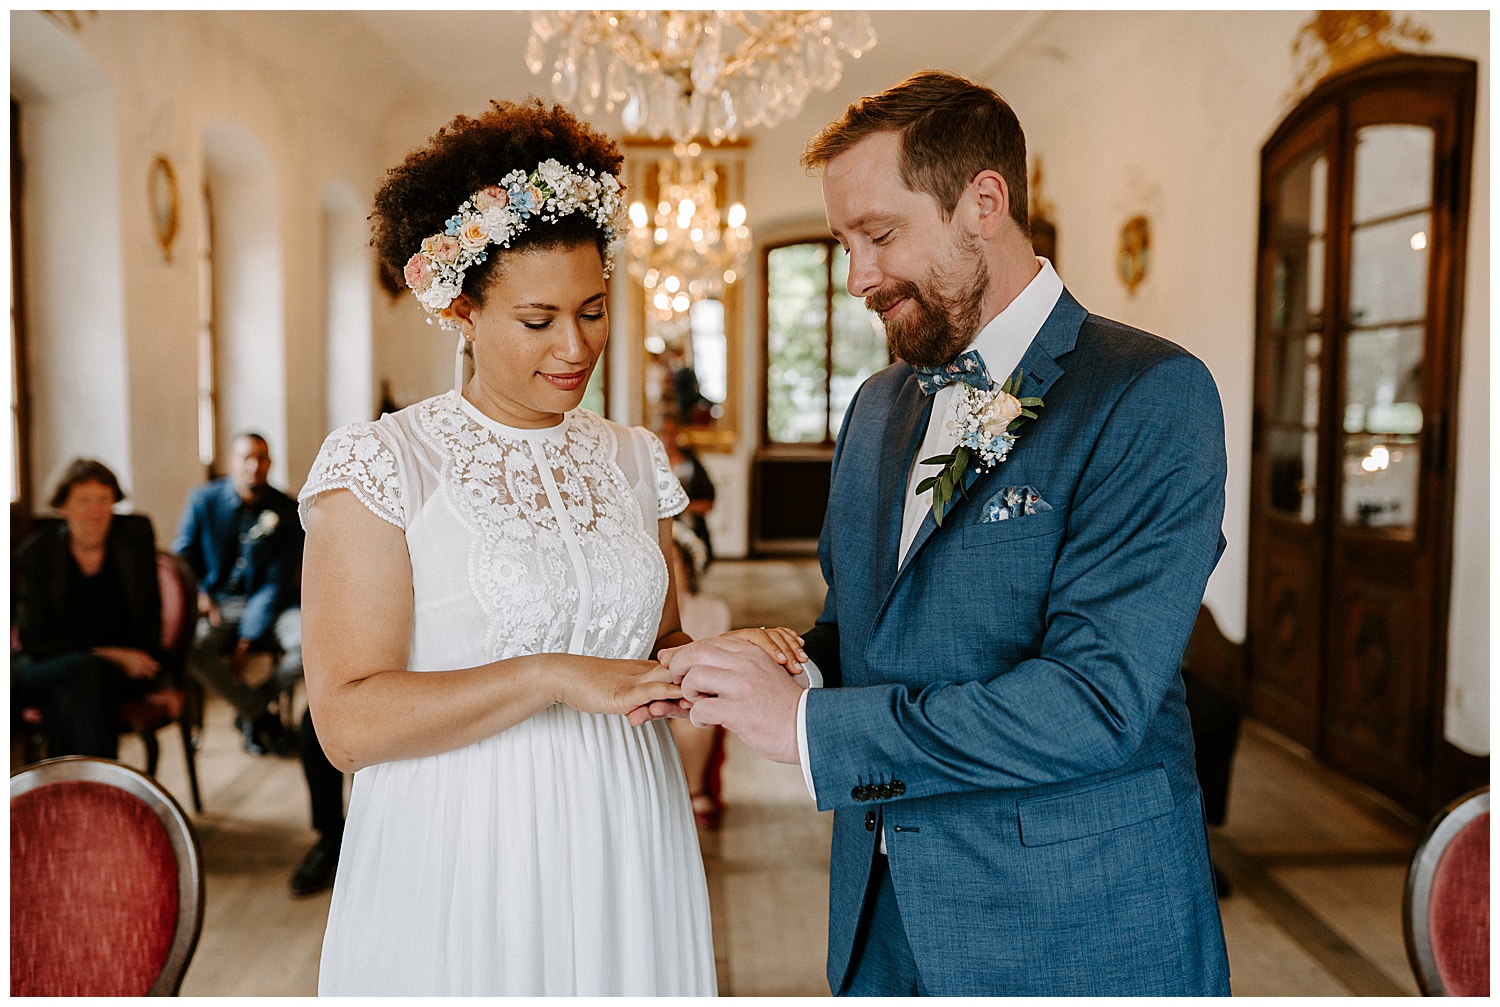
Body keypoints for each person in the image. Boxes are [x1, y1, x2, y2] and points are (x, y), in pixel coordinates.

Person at [660, 71, 1232, 996]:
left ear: (984, 202)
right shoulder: (879, 405)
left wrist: (807, 726)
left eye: (880, 236)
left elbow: (1094, 702)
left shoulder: (1149, 394)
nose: (858, 279)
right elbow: (863, 629)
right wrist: (781, 666)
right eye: (846, 243)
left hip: (1072, 924)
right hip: (881, 913)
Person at [297, 98, 803, 996]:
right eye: (538, 320)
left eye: (595, 309)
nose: (577, 347)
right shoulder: (382, 464)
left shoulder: (633, 458)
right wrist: (549, 674)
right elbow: (346, 722)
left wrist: (717, 658)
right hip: (461, 843)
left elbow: (656, 648)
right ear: (460, 309)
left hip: (627, 823)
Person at [173, 432, 345, 896]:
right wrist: (203, 597)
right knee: (195, 647)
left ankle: (258, 710)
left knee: (309, 645)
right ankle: (258, 713)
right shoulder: (204, 501)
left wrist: (250, 635)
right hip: (216, 604)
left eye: (263, 459)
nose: (255, 467)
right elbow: (183, 557)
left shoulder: (286, 509)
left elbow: (276, 582)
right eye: (247, 458)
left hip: (270, 608)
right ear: (231, 462)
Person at [13, 460, 166, 759]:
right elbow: (35, 638)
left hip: (113, 674)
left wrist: (165, 679)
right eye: (83, 501)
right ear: (62, 508)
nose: (96, 511)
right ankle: (100, 787)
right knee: (88, 673)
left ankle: (70, 790)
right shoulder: (37, 553)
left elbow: (151, 612)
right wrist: (112, 655)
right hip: (47, 664)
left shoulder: (133, 539)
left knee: (72, 693)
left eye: (104, 500)